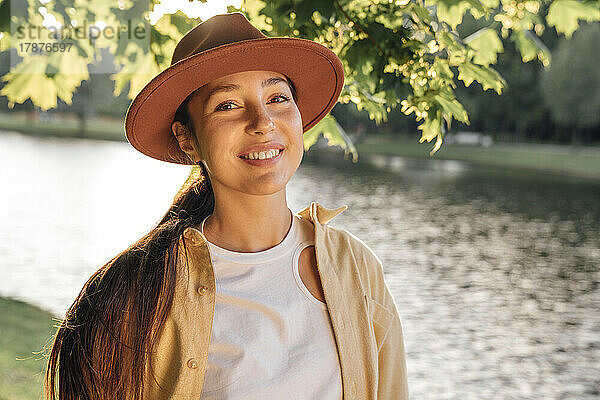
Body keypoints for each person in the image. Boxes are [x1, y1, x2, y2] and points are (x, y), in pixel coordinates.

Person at [44, 12, 408, 400]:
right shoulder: (136, 291)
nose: (263, 121)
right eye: (228, 105)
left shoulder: (355, 266)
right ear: (187, 139)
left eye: (278, 98)